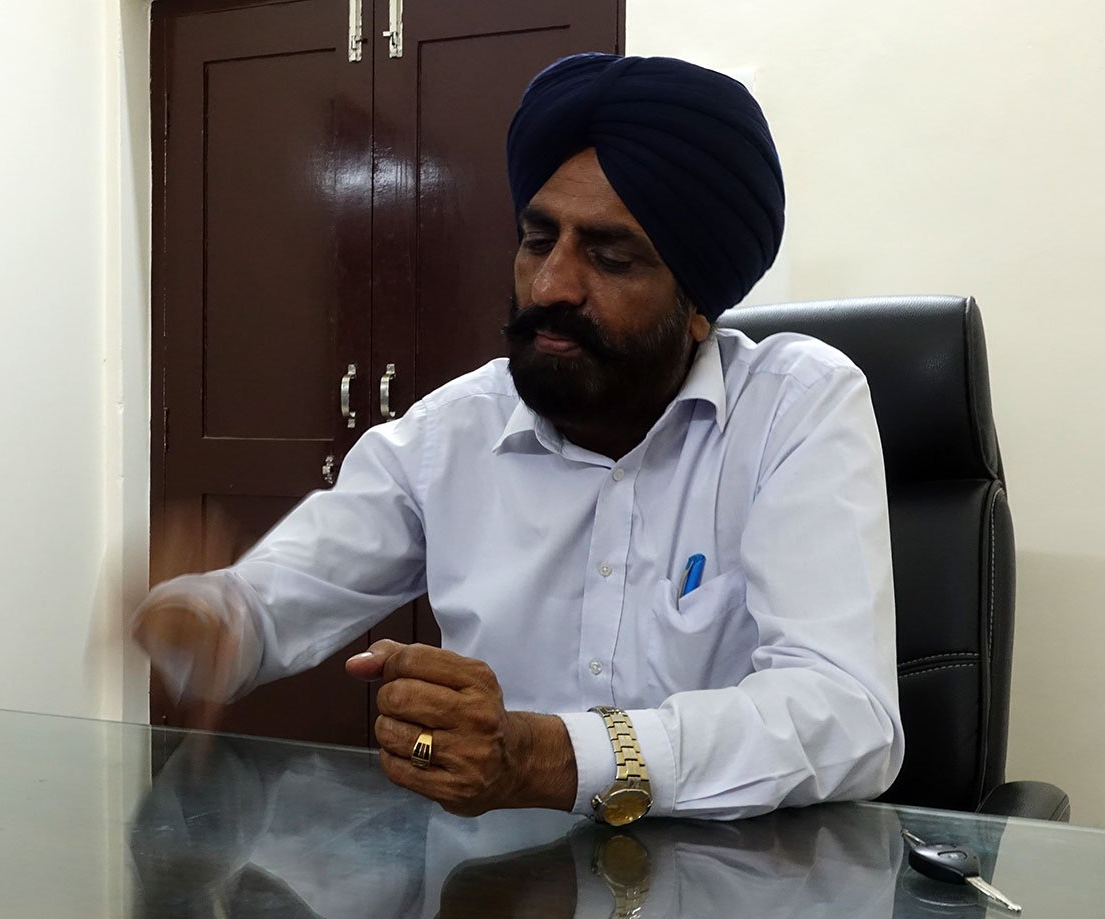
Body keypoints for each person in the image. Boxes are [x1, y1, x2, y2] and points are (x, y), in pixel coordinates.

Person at [133, 53, 903, 822]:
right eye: (539, 241)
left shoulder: (793, 407)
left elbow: (847, 713)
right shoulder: (447, 436)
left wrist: (547, 759)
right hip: (493, 900)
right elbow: (264, 608)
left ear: (699, 304)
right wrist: (200, 621)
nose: (550, 286)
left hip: (740, 898)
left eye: (609, 256)